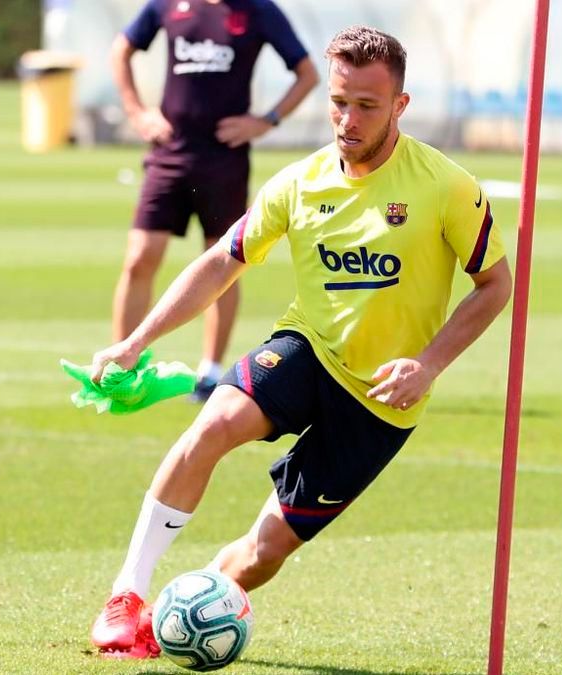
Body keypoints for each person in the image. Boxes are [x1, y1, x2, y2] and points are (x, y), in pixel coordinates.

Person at [88, 25, 512, 658]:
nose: (348, 118)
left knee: (264, 553)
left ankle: (185, 612)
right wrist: (136, 341)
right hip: (307, 349)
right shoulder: (299, 182)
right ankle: (126, 594)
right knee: (213, 424)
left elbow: (494, 286)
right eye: (339, 101)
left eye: (367, 105)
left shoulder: (446, 186)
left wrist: (429, 365)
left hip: (380, 403)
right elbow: (221, 262)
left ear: (400, 105)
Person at [110, 0, 319, 399]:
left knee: (224, 261)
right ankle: (121, 367)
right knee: (139, 258)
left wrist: (265, 121)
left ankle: (210, 372)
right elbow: (121, 49)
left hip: (224, 159)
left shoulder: (258, 9)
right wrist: (136, 111)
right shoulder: (166, 5)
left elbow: (307, 74)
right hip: (169, 153)